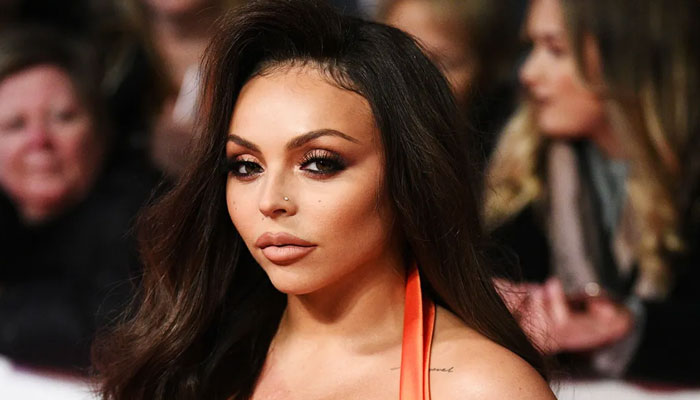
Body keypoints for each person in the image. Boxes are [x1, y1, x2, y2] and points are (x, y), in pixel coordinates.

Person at [92, 0, 556, 399]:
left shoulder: (481, 387)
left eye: (318, 163)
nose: (270, 201)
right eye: (246, 166)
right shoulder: (189, 364)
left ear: (408, 175)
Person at [485, 0, 700, 383]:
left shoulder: (689, 176)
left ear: (629, 61)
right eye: (530, 48)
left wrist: (627, 328)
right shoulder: (516, 161)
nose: (528, 73)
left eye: (555, 50)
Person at [0, 28, 157, 370]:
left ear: (101, 129)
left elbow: (115, 325)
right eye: (14, 125)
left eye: (63, 117)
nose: (39, 141)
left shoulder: (144, 214)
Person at [380, 0, 523, 167]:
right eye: (398, 55)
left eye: (441, 64)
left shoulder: (509, 161)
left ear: (487, 72)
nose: (414, 77)